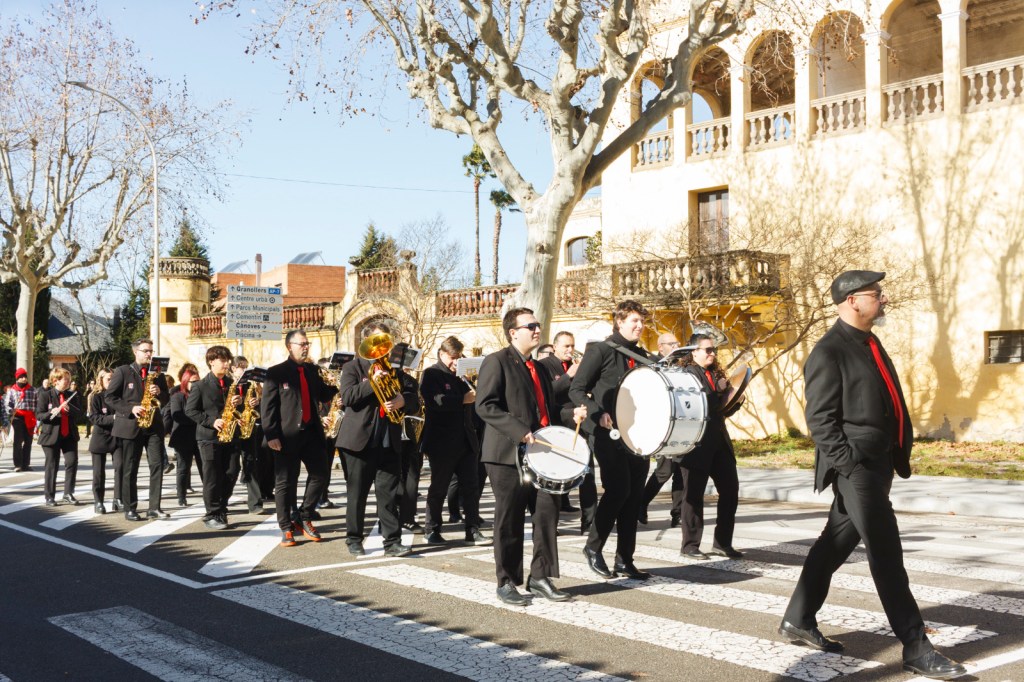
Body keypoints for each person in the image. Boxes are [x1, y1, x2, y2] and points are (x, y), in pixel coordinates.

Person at [779, 271, 965, 680]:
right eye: (876, 294)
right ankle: (916, 647)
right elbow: (820, 420)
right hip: (857, 466)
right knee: (886, 551)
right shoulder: (828, 351)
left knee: (835, 543)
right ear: (852, 301)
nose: (883, 299)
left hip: (879, 462)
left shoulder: (870, 342)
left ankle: (798, 618)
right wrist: (848, 465)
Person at [476, 307, 586, 605]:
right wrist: (519, 430)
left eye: (538, 324)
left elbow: (548, 410)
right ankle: (506, 581)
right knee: (509, 518)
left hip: (540, 454)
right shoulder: (496, 361)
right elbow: (485, 405)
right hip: (506, 453)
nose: (538, 330)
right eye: (531, 326)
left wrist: (571, 414)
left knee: (547, 514)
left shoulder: (537, 367)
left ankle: (540, 577)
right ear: (513, 332)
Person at [569, 299, 652, 581]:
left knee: (634, 495)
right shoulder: (601, 351)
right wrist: (598, 412)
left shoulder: (642, 356)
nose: (640, 326)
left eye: (642, 321)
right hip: (607, 433)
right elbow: (576, 389)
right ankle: (593, 548)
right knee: (618, 490)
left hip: (638, 435)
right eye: (635, 321)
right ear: (619, 322)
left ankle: (624, 559)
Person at [336, 324, 419, 558]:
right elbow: (348, 397)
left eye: (385, 342)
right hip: (359, 442)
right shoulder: (353, 367)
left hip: (388, 440)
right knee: (357, 494)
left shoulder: (394, 370)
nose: (382, 348)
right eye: (376, 342)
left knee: (389, 495)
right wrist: (371, 382)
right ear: (365, 343)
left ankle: (392, 542)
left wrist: (404, 400)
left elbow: (414, 396)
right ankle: (354, 539)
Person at [262, 329, 338, 547]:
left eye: (307, 344)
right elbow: (268, 408)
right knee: (285, 482)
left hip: (312, 433)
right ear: (289, 346)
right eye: (301, 344)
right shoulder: (276, 373)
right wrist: (271, 434)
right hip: (286, 436)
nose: (305, 348)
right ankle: (286, 527)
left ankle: (304, 516)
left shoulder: (313, 370)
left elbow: (323, 394)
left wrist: (335, 382)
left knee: (320, 474)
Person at [676, 333, 743, 560]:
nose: (712, 354)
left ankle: (722, 543)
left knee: (730, 490)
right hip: (696, 443)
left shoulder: (714, 373)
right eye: (708, 350)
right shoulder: (687, 374)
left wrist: (735, 401)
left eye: (714, 350)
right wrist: (721, 391)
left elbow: (720, 410)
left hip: (719, 441)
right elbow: (697, 404)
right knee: (693, 495)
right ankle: (690, 546)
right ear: (694, 352)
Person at [420, 336, 490, 547]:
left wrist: (472, 384)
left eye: (458, 358)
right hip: (442, 441)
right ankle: (432, 529)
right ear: (442, 354)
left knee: (471, 487)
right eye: (452, 358)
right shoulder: (431, 374)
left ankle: (472, 530)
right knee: (439, 487)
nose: (455, 362)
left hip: (466, 440)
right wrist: (462, 399)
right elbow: (435, 401)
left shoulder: (461, 376)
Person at [105, 338, 171, 521]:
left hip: (153, 426)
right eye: (145, 351)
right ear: (135, 352)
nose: (149, 354)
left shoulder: (157, 374)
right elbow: (110, 397)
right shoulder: (123, 371)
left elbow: (166, 399)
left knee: (157, 466)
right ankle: (130, 508)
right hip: (131, 426)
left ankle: (154, 508)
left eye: (151, 351)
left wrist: (160, 392)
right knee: (130, 468)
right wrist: (131, 408)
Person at [186, 345, 250, 530]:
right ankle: (212, 513)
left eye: (228, 360)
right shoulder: (200, 386)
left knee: (232, 471)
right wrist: (212, 421)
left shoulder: (231, 383)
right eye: (223, 360)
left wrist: (240, 403)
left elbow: (238, 409)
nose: (227, 364)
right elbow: (190, 410)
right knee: (212, 476)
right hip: (209, 437)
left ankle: (221, 506)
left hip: (230, 435)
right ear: (211, 362)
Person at [538, 331, 594, 525]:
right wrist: (568, 376)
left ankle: (589, 520)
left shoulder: (576, 364)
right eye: (566, 346)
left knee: (587, 472)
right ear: (555, 347)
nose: (570, 350)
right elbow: (546, 393)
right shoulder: (544, 365)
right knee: (557, 474)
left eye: (572, 346)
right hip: (557, 424)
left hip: (579, 423)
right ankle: (551, 522)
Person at [638, 332, 684, 528]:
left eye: (677, 343)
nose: (676, 346)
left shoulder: (681, 366)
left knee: (681, 471)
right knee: (665, 470)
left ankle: (678, 514)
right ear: (661, 347)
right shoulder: (652, 364)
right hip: (663, 424)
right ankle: (641, 503)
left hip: (682, 423)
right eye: (672, 344)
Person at [35, 368, 84, 506]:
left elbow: (80, 413)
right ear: (55, 380)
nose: (68, 382)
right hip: (51, 435)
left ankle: (68, 493)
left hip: (69, 435)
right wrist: (51, 412)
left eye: (69, 379)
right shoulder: (46, 395)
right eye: (65, 379)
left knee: (72, 462)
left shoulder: (72, 395)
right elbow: (39, 415)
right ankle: (49, 496)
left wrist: (70, 409)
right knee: (52, 465)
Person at [87, 369, 121, 514]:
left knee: (120, 467)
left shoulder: (118, 396)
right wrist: (113, 418)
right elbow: (94, 417)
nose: (111, 381)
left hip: (117, 435)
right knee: (98, 472)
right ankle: (98, 501)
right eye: (108, 379)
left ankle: (118, 499)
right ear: (101, 380)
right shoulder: (95, 396)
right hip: (100, 437)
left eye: (113, 379)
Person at [168, 364, 201, 508]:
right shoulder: (178, 396)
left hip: (199, 436)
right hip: (183, 437)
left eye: (198, 381)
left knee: (205, 468)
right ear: (185, 382)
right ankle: (181, 497)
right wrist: (198, 419)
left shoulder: (201, 396)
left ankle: (211, 496)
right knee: (183, 468)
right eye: (193, 382)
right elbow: (177, 416)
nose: (196, 384)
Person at [3, 367, 37, 472]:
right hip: (18, 417)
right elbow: (7, 404)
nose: (24, 379)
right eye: (21, 377)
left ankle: (26, 464)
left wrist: (37, 414)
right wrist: (11, 410)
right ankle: (18, 464)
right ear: (17, 378)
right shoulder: (12, 390)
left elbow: (37, 403)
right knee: (18, 441)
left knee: (28, 441)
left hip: (30, 417)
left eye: (25, 377)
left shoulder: (33, 390)